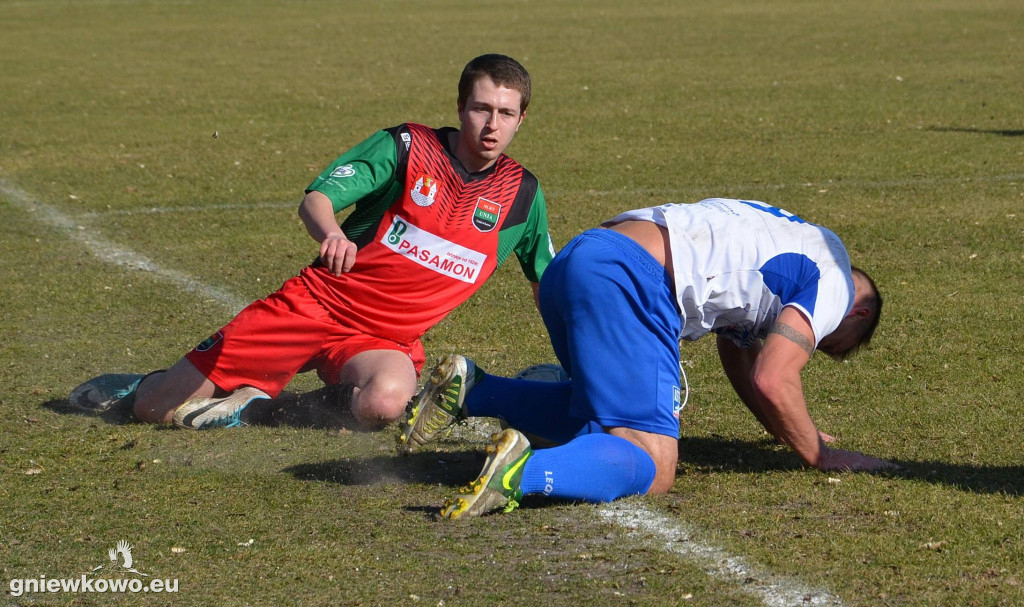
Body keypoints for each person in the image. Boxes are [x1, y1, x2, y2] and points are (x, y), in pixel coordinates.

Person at [69, 54, 555, 430]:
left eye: (506, 113)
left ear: (522, 119)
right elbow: (318, 198)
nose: (492, 125)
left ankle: (255, 410)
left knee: (386, 403)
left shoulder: (523, 198)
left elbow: (549, 286)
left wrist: (579, 357)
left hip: (383, 340)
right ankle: (143, 384)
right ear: (460, 108)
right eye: (481, 109)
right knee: (159, 408)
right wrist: (333, 234)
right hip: (315, 305)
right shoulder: (407, 147)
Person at [400, 197, 896, 519]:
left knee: (603, 421)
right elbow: (774, 376)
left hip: (580, 259)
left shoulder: (793, 238)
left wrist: (786, 429)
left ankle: (476, 389)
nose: (815, 338)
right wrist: (818, 453)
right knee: (654, 463)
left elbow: (742, 357)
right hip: (630, 277)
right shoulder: (835, 281)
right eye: (827, 341)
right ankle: (518, 475)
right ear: (860, 311)